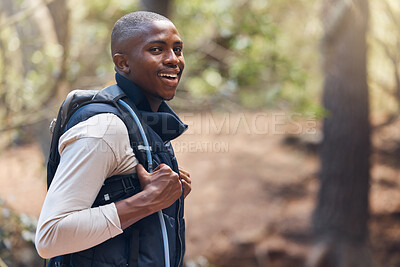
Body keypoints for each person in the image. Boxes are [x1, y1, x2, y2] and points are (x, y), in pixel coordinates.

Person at [35, 11, 191, 267]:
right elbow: (49, 237)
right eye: (156, 49)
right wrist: (148, 200)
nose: (173, 59)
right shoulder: (104, 128)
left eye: (178, 49)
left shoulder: (144, 123)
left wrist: (166, 194)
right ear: (123, 64)